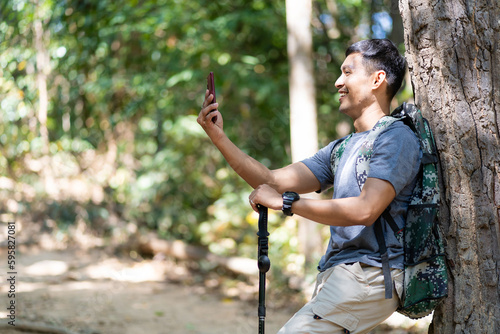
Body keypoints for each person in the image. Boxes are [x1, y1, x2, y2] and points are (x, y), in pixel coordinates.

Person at [197, 38, 421, 334]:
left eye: (348, 72)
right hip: (342, 275)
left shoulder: (395, 138)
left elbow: (366, 209)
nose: (338, 81)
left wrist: (287, 203)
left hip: (371, 274)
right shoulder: (342, 148)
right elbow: (271, 181)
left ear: (377, 79)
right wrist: (218, 137)